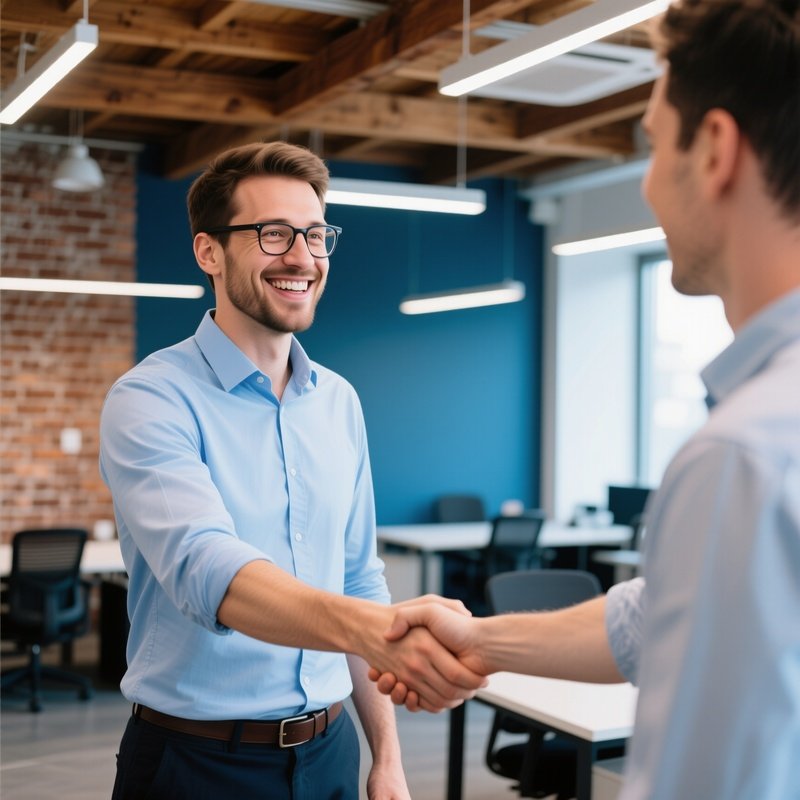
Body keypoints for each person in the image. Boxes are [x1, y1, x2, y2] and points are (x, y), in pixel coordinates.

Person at [370, 0, 800, 797]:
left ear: (714, 151)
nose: (643, 185)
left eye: (651, 144)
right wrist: (479, 639)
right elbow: (657, 614)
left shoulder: (745, 456)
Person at [99, 141, 486, 800]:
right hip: (196, 763)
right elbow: (207, 569)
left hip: (330, 751)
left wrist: (385, 755)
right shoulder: (151, 397)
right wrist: (379, 633)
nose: (303, 257)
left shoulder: (338, 401)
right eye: (273, 234)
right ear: (209, 252)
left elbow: (361, 575)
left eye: (314, 234)